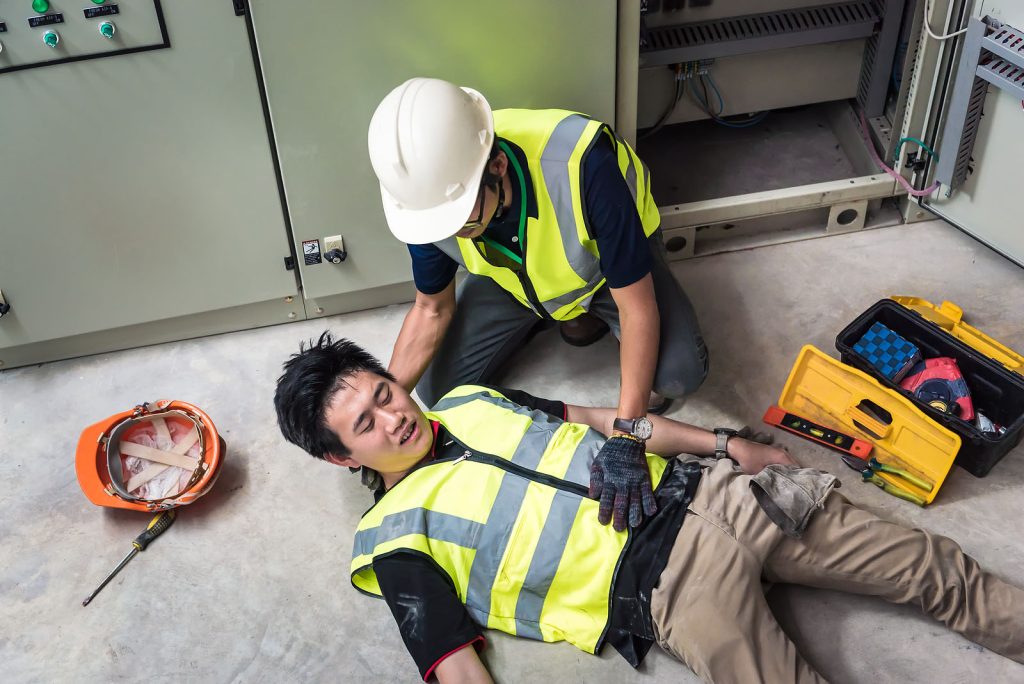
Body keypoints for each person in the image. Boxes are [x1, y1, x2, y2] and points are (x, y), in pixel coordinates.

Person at [273, 334, 1024, 684]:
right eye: (365, 426)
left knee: (934, 566)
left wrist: (729, 445)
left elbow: (606, 421)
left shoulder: (470, 400)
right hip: (667, 591)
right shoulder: (393, 539)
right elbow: (453, 665)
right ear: (344, 458)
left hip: (715, 492)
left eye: (384, 394)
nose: (393, 418)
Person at [366, 78, 708, 520]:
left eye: (462, 220)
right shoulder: (428, 203)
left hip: (604, 272)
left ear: (498, 167)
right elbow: (431, 308)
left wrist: (626, 435)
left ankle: (577, 314)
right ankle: (554, 316)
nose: (450, 233)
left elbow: (637, 307)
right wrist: (384, 407)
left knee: (678, 375)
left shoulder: (583, 165)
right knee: (440, 390)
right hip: (511, 278)